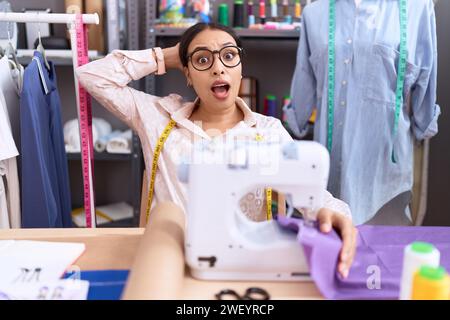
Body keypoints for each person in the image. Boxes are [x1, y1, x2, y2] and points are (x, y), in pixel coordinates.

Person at [76, 22, 357, 278]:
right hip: (167, 267)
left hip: (240, 270)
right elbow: (92, 75)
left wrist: (334, 215)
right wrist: (168, 56)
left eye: (229, 56)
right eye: (202, 60)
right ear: (186, 73)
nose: (218, 68)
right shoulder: (157, 117)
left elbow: (315, 197)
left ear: (240, 68)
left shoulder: (267, 132)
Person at [284, 0, 440, 226]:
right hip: (328, 169)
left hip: (384, 175)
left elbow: (426, 73)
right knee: (333, 253)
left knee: (385, 255)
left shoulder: (416, 8)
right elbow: (305, 75)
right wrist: (297, 118)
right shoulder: (314, 13)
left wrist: (424, 119)